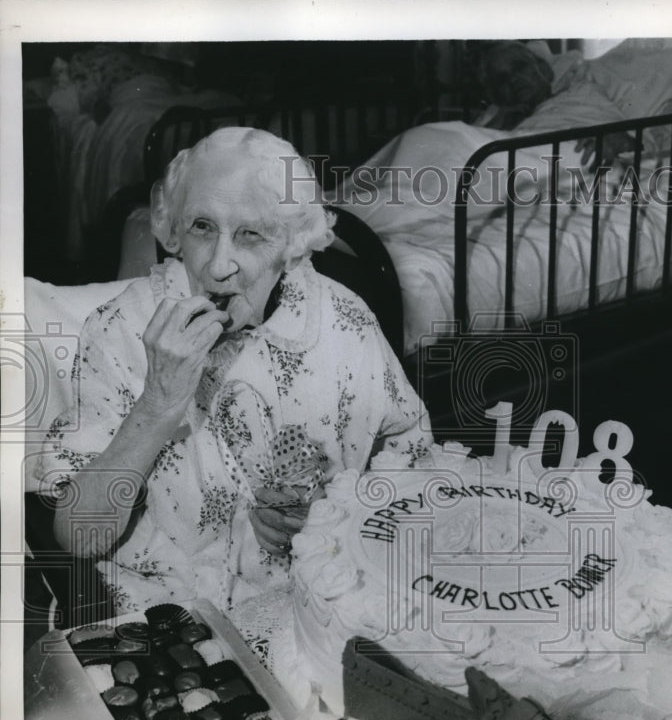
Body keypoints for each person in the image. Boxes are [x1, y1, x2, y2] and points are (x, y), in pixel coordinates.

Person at [36, 127, 431, 657]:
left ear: (292, 247)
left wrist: (332, 515)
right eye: (202, 227)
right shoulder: (119, 330)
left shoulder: (343, 320)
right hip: (160, 622)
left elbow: (415, 466)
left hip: (313, 607)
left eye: (251, 235)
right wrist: (158, 402)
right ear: (172, 231)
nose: (218, 265)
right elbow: (79, 536)